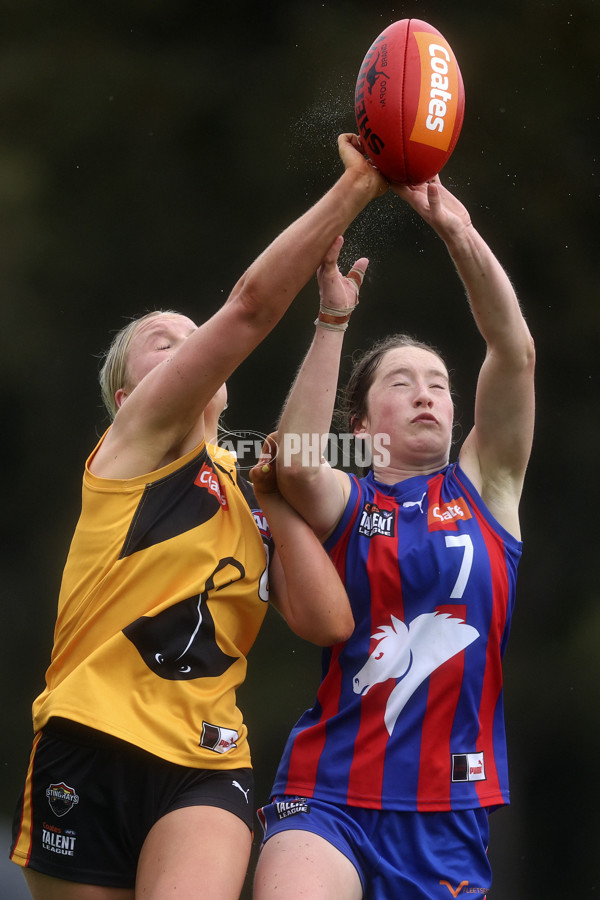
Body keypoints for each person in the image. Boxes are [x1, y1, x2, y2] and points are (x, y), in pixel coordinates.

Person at [9, 134, 386, 900]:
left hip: (206, 761)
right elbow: (248, 310)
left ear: (225, 398)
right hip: (89, 739)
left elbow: (326, 622)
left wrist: (331, 324)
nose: (190, 348)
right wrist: (354, 191)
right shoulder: (134, 446)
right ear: (126, 399)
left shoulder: (247, 493)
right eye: (163, 344)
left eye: (193, 339)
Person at [254, 177, 535, 900]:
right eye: (403, 382)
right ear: (363, 427)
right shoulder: (349, 500)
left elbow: (514, 350)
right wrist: (332, 319)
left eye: (439, 383)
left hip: (448, 813)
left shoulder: (487, 488)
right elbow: (294, 461)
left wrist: (459, 233)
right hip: (328, 795)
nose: (426, 393)